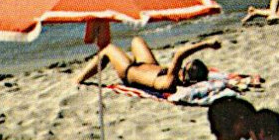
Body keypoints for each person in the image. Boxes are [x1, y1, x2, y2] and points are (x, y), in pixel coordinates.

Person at [74, 36, 221, 92]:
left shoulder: (170, 81)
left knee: (108, 49)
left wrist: (206, 44)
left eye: (184, 68)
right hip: (149, 65)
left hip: (129, 72)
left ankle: (79, 79)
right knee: (137, 40)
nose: (181, 68)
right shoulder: (174, 75)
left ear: (186, 77)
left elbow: (179, 54)